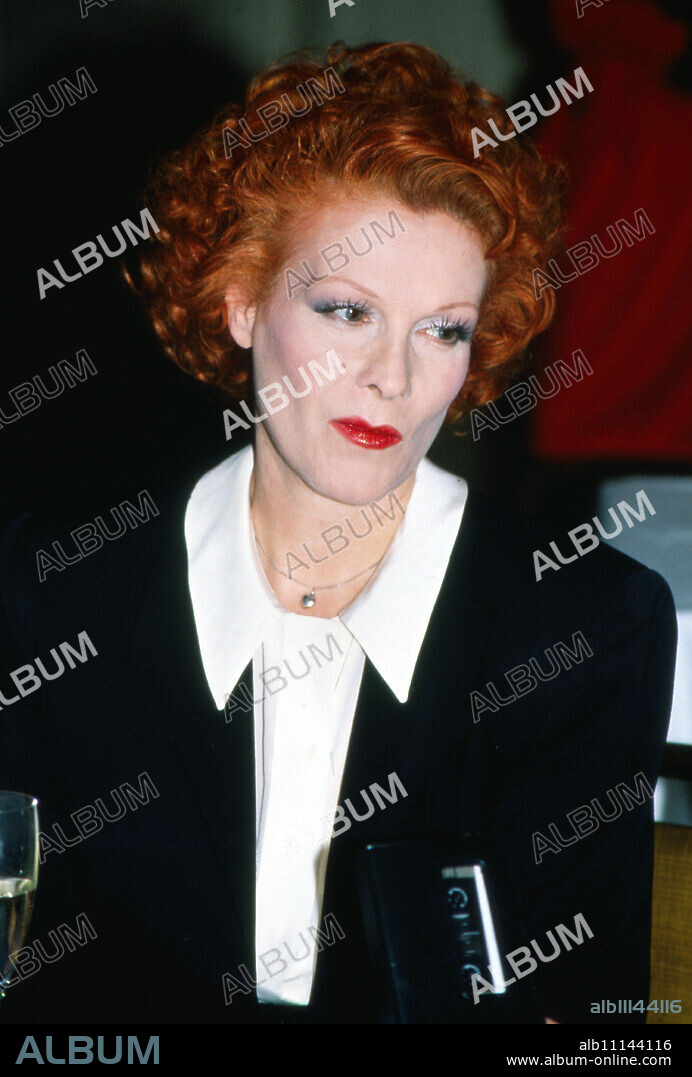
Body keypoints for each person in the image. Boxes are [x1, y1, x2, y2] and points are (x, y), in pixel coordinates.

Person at [0, 41, 677, 1025]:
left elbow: (568, 1028)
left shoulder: (586, 626)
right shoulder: (51, 587)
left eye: (440, 328)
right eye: (347, 310)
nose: (392, 378)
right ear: (238, 299)